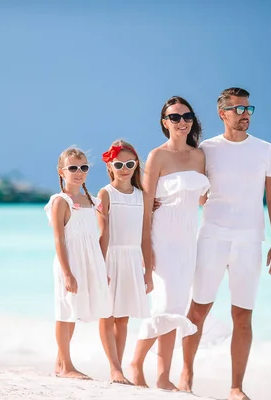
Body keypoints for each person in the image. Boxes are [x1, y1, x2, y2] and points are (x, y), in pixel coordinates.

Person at [182, 87, 271, 400]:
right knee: (198, 310)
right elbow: (195, 192)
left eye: (248, 109)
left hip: (250, 241)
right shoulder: (206, 149)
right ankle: (186, 374)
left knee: (243, 315)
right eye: (238, 109)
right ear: (222, 113)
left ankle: (236, 387)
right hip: (212, 235)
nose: (245, 115)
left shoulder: (265, 149)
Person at [129, 96, 209, 391]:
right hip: (162, 237)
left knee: (177, 306)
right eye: (174, 117)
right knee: (165, 304)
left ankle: (163, 376)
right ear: (165, 123)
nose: (182, 122)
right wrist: (145, 250)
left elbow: (200, 198)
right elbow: (147, 206)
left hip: (189, 237)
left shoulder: (199, 156)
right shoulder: (156, 156)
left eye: (186, 116)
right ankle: (136, 363)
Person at [44, 146, 111, 380]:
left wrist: (101, 269)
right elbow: (59, 239)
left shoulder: (90, 200)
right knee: (65, 311)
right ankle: (66, 366)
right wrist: (67, 273)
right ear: (62, 172)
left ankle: (59, 363)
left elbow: (106, 224)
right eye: (73, 168)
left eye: (84, 167)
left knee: (75, 311)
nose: (79, 172)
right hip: (69, 263)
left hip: (88, 261)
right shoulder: (61, 201)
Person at [96, 140, 153, 385]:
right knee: (107, 315)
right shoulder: (105, 193)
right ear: (110, 166)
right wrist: (100, 266)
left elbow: (145, 236)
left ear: (136, 164)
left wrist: (148, 272)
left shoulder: (143, 196)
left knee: (124, 317)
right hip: (110, 257)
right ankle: (114, 369)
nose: (125, 168)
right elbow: (102, 232)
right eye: (119, 164)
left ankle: (118, 368)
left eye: (130, 163)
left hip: (132, 259)